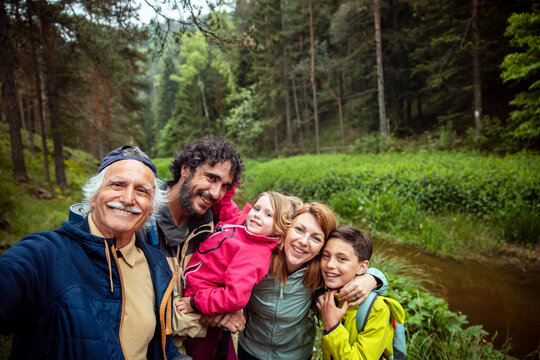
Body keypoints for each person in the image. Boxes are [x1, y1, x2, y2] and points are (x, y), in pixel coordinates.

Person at [0, 145, 189, 360]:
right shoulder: (46, 253)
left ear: (150, 210)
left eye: (141, 191)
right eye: (117, 185)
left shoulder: (154, 263)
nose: (128, 199)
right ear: (93, 197)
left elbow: (158, 346)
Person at [237, 203, 388, 360]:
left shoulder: (319, 275)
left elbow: (349, 268)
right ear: (286, 229)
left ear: (322, 247)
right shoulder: (259, 260)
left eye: (316, 238)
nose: (303, 241)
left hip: (296, 355)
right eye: (299, 230)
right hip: (250, 349)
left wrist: (373, 278)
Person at [149, 137, 246, 353]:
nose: (215, 193)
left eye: (225, 186)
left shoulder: (215, 226)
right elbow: (140, 313)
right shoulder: (143, 223)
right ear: (186, 169)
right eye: (211, 178)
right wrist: (212, 314)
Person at [176, 191, 301, 359]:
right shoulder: (241, 223)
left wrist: (195, 302)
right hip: (199, 292)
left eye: (268, 214)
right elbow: (225, 203)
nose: (257, 215)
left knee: (202, 353)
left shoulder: (254, 253)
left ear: (279, 229)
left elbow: (234, 297)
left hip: (203, 302)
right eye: (257, 208)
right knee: (221, 350)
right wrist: (230, 179)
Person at [317, 226, 405, 360]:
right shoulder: (327, 291)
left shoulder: (377, 310)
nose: (330, 264)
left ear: (362, 267)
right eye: (326, 255)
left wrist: (333, 327)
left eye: (342, 259)